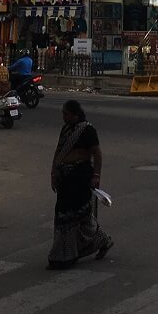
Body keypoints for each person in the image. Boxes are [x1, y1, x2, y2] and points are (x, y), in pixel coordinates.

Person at [48, 99, 111, 270]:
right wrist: (54, 173)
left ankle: (100, 241)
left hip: (80, 177)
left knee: (79, 216)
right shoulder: (66, 130)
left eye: (66, 114)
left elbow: (97, 153)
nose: (63, 117)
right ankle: (63, 255)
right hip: (65, 178)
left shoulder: (86, 130)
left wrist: (96, 175)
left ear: (75, 114)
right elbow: (58, 151)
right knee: (63, 216)